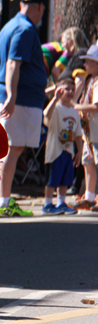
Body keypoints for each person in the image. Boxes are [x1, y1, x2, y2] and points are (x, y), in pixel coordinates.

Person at [0, 0, 48, 218]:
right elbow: (13, 64)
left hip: (8, 96)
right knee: (12, 150)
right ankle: (3, 202)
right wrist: (12, 97)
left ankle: (3, 200)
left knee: (11, 149)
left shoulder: (8, 26)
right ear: (40, 7)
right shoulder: (25, 29)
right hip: (18, 99)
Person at [40, 76, 82, 215]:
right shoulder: (56, 107)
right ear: (59, 90)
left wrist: (79, 152)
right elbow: (46, 114)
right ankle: (47, 204)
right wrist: (54, 98)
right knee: (52, 178)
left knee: (65, 179)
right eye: (66, 89)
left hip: (68, 150)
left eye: (72, 89)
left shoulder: (75, 111)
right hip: (55, 150)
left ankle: (61, 202)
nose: (70, 92)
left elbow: (77, 134)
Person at [72, 45, 98, 211]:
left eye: (89, 62)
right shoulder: (90, 81)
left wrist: (77, 107)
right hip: (89, 133)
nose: (85, 65)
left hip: (96, 132)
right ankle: (89, 196)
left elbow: (95, 106)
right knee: (88, 162)